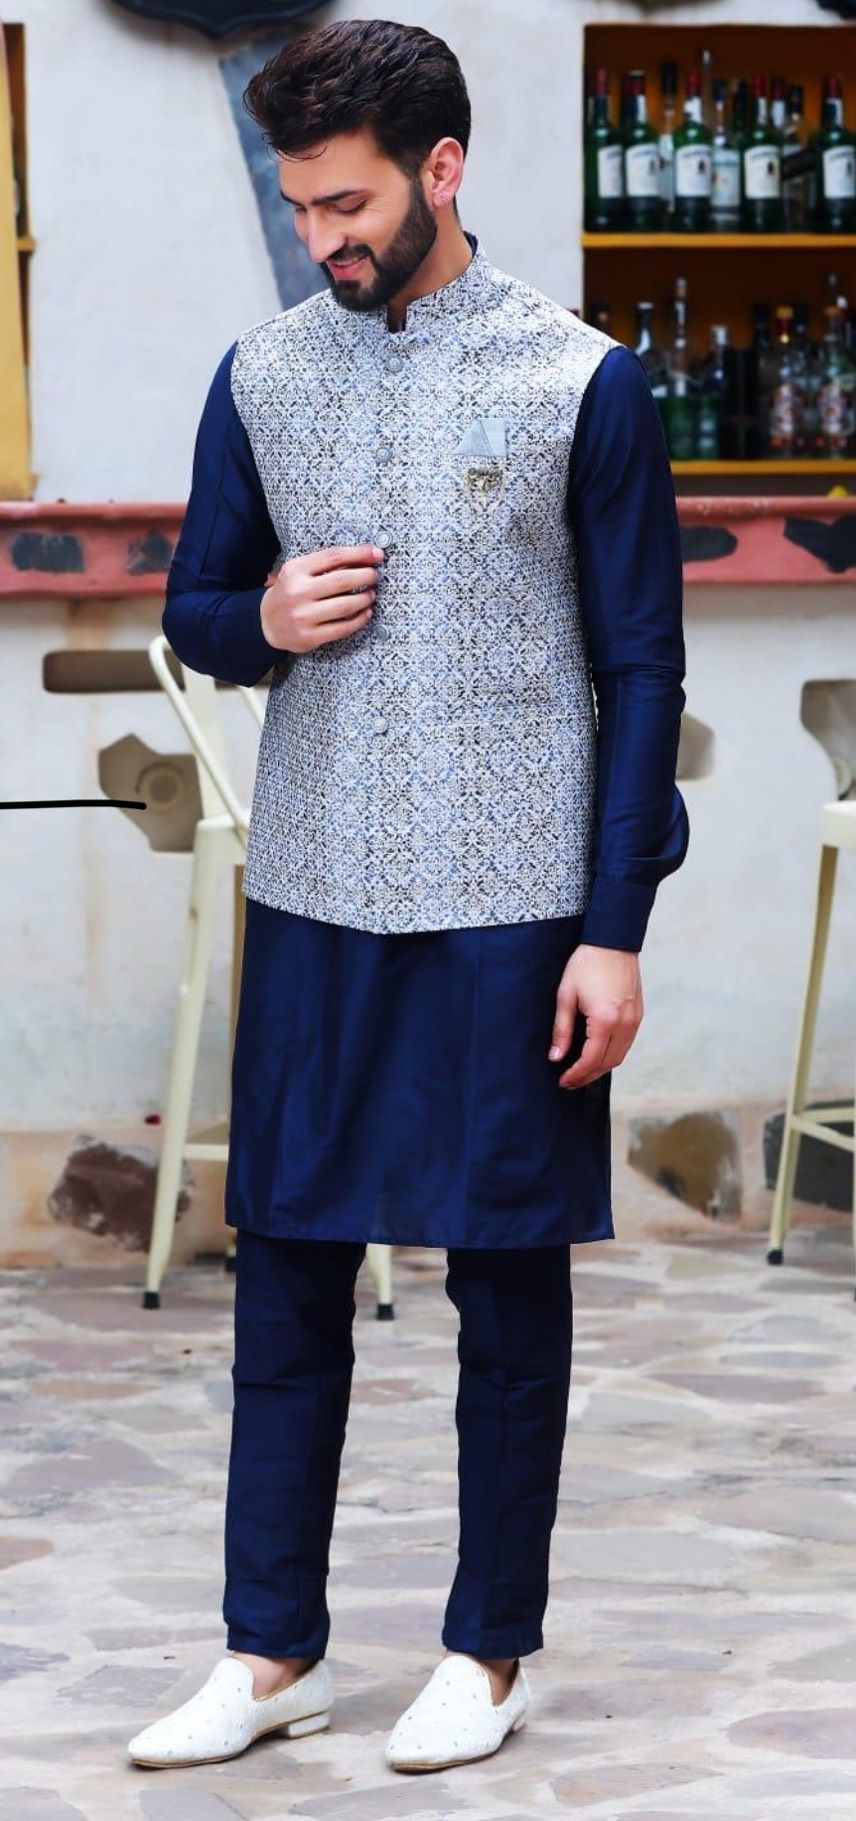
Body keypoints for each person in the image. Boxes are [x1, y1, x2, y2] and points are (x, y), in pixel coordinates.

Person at [127, 15, 689, 1779]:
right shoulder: (263, 376)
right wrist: (262, 619)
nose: (324, 238)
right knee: (285, 1278)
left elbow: (644, 672)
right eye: (302, 208)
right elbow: (195, 608)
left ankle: (487, 1649)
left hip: (518, 907)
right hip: (315, 889)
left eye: (350, 203)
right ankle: (266, 1644)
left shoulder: (582, 381)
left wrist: (616, 928)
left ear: (443, 172)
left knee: (507, 1293)